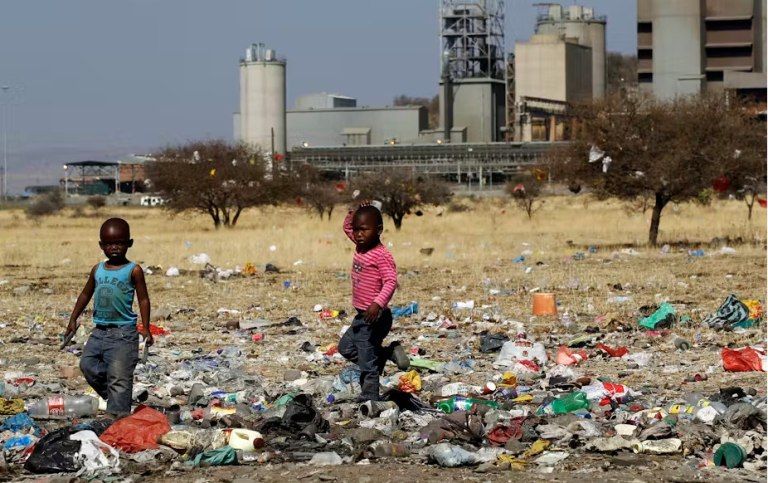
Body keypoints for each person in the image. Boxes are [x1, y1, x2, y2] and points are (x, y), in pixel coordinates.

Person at [64, 217, 153, 417]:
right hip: (99, 332)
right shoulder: (98, 269)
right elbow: (86, 294)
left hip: (123, 334)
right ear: (101, 245)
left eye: (120, 243)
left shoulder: (134, 270)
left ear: (129, 244)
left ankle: (118, 419)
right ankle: (117, 400)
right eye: (109, 243)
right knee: (87, 365)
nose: (114, 247)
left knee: (120, 377)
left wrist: (145, 327)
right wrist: (73, 318)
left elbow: (144, 299)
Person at [338, 201, 409, 402]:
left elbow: (390, 281)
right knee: (346, 348)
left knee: (367, 359)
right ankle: (387, 353)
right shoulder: (360, 246)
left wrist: (377, 303)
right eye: (357, 230)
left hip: (375, 317)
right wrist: (353, 212)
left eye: (364, 230)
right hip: (362, 316)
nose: (359, 234)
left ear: (378, 230)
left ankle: (370, 396)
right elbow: (346, 227)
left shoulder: (381, 255)